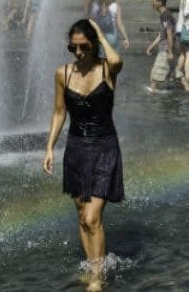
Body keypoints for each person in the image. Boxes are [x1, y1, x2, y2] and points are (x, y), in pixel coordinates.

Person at [42, 19, 124, 291]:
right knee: (81, 214)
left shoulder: (107, 70)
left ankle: (98, 278)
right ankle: (93, 266)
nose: (78, 54)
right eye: (72, 48)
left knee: (92, 217)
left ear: (94, 45)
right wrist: (50, 148)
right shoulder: (62, 73)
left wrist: (99, 31)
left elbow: (116, 58)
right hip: (76, 148)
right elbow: (58, 112)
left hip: (104, 147)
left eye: (84, 47)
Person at [144, 0, 183, 92]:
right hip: (167, 48)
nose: (152, 3)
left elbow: (169, 34)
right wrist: (151, 46)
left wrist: (169, 52)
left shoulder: (165, 16)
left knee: (154, 76)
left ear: (160, 2)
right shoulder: (164, 15)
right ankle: (187, 89)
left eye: (154, 0)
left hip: (165, 50)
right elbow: (162, 35)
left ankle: (152, 95)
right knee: (177, 73)